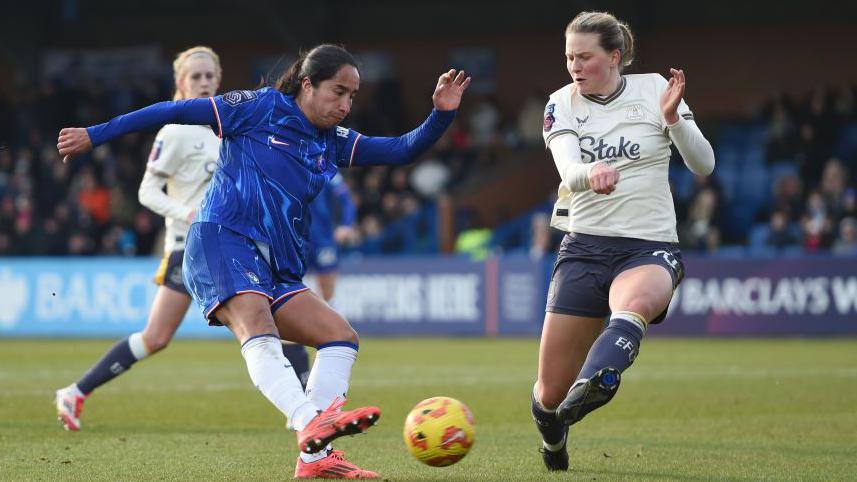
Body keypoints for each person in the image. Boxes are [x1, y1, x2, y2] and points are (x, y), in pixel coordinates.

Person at [57, 44, 470, 479]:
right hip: (222, 239)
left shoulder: (331, 141)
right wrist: (94, 134)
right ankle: (310, 420)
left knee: (340, 337)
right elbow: (166, 111)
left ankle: (314, 459)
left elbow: (401, 150)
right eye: (338, 91)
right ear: (307, 84)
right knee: (257, 324)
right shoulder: (256, 108)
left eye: (352, 96)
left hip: (278, 262)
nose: (345, 105)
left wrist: (441, 114)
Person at [531, 12, 714, 471]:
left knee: (634, 303)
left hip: (648, 244)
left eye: (584, 56)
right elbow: (569, 168)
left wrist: (674, 119)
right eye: (570, 56)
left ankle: (598, 379)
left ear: (614, 57)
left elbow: (704, 164)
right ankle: (556, 436)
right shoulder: (561, 103)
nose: (574, 65)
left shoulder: (655, 89)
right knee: (549, 396)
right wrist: (590, 173)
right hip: (585, 248)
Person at [54, 46, 225, 431]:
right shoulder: (176, 131)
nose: (203, 82)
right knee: (157, 337)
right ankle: (76, 391)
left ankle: (303, 409)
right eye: (195, 77)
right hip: (190, 248)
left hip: (226, 245)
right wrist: (188, 213)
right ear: (180, 83)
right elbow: (147, 192)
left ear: (219, 80)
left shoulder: (226, 129)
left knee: (272, 311)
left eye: (209, 76)